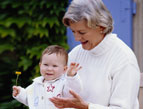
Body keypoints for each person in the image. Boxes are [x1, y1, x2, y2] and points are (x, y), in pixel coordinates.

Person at [49, 0, 141, 109]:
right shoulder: (75, 54)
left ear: (101, 27)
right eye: (73, 31)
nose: (76, 38)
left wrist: (86, 106)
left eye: (82, 32)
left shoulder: (124, 59)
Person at [12, 45, 82, 109]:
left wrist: (71, 77)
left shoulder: (64, 83)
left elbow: (72, 92)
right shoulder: (36, 83)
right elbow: (29, 99)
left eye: (54, 66)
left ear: (64, 69)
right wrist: (20, 93)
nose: (49, 69)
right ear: (40, 65)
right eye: (45, 65)